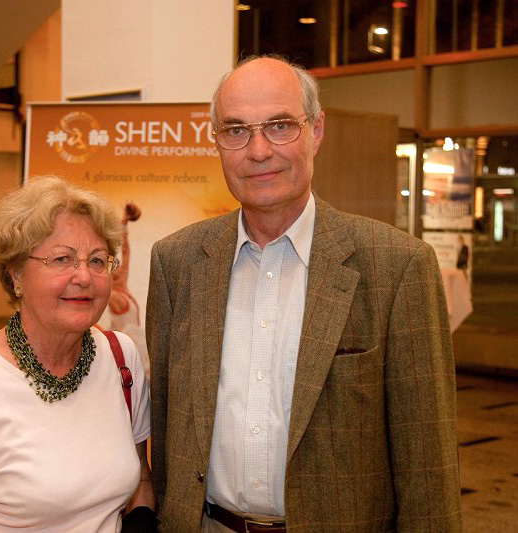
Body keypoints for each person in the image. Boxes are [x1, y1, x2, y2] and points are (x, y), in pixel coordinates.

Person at [146, 56, 461, 532]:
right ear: (217, 143)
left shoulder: (396, 267)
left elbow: (427, 465)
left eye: (279, 126)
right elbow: (168, 437)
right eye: (236, 130)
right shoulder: (176, 263)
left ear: (316, 131)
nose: (258, 151)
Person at [0, 176, 156, 532]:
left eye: (97, 260)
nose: (84, 276)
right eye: (62, 259)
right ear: (16, 276)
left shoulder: (121, 360)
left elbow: (141, 479)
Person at [106, 202, 150, 383]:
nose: (119, 273)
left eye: (120, 269)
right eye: (113, 273)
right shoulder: (114, 297)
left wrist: (124, 222)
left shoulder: (123, 287)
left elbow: (126, 253)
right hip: (125, 353)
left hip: (135, 346)